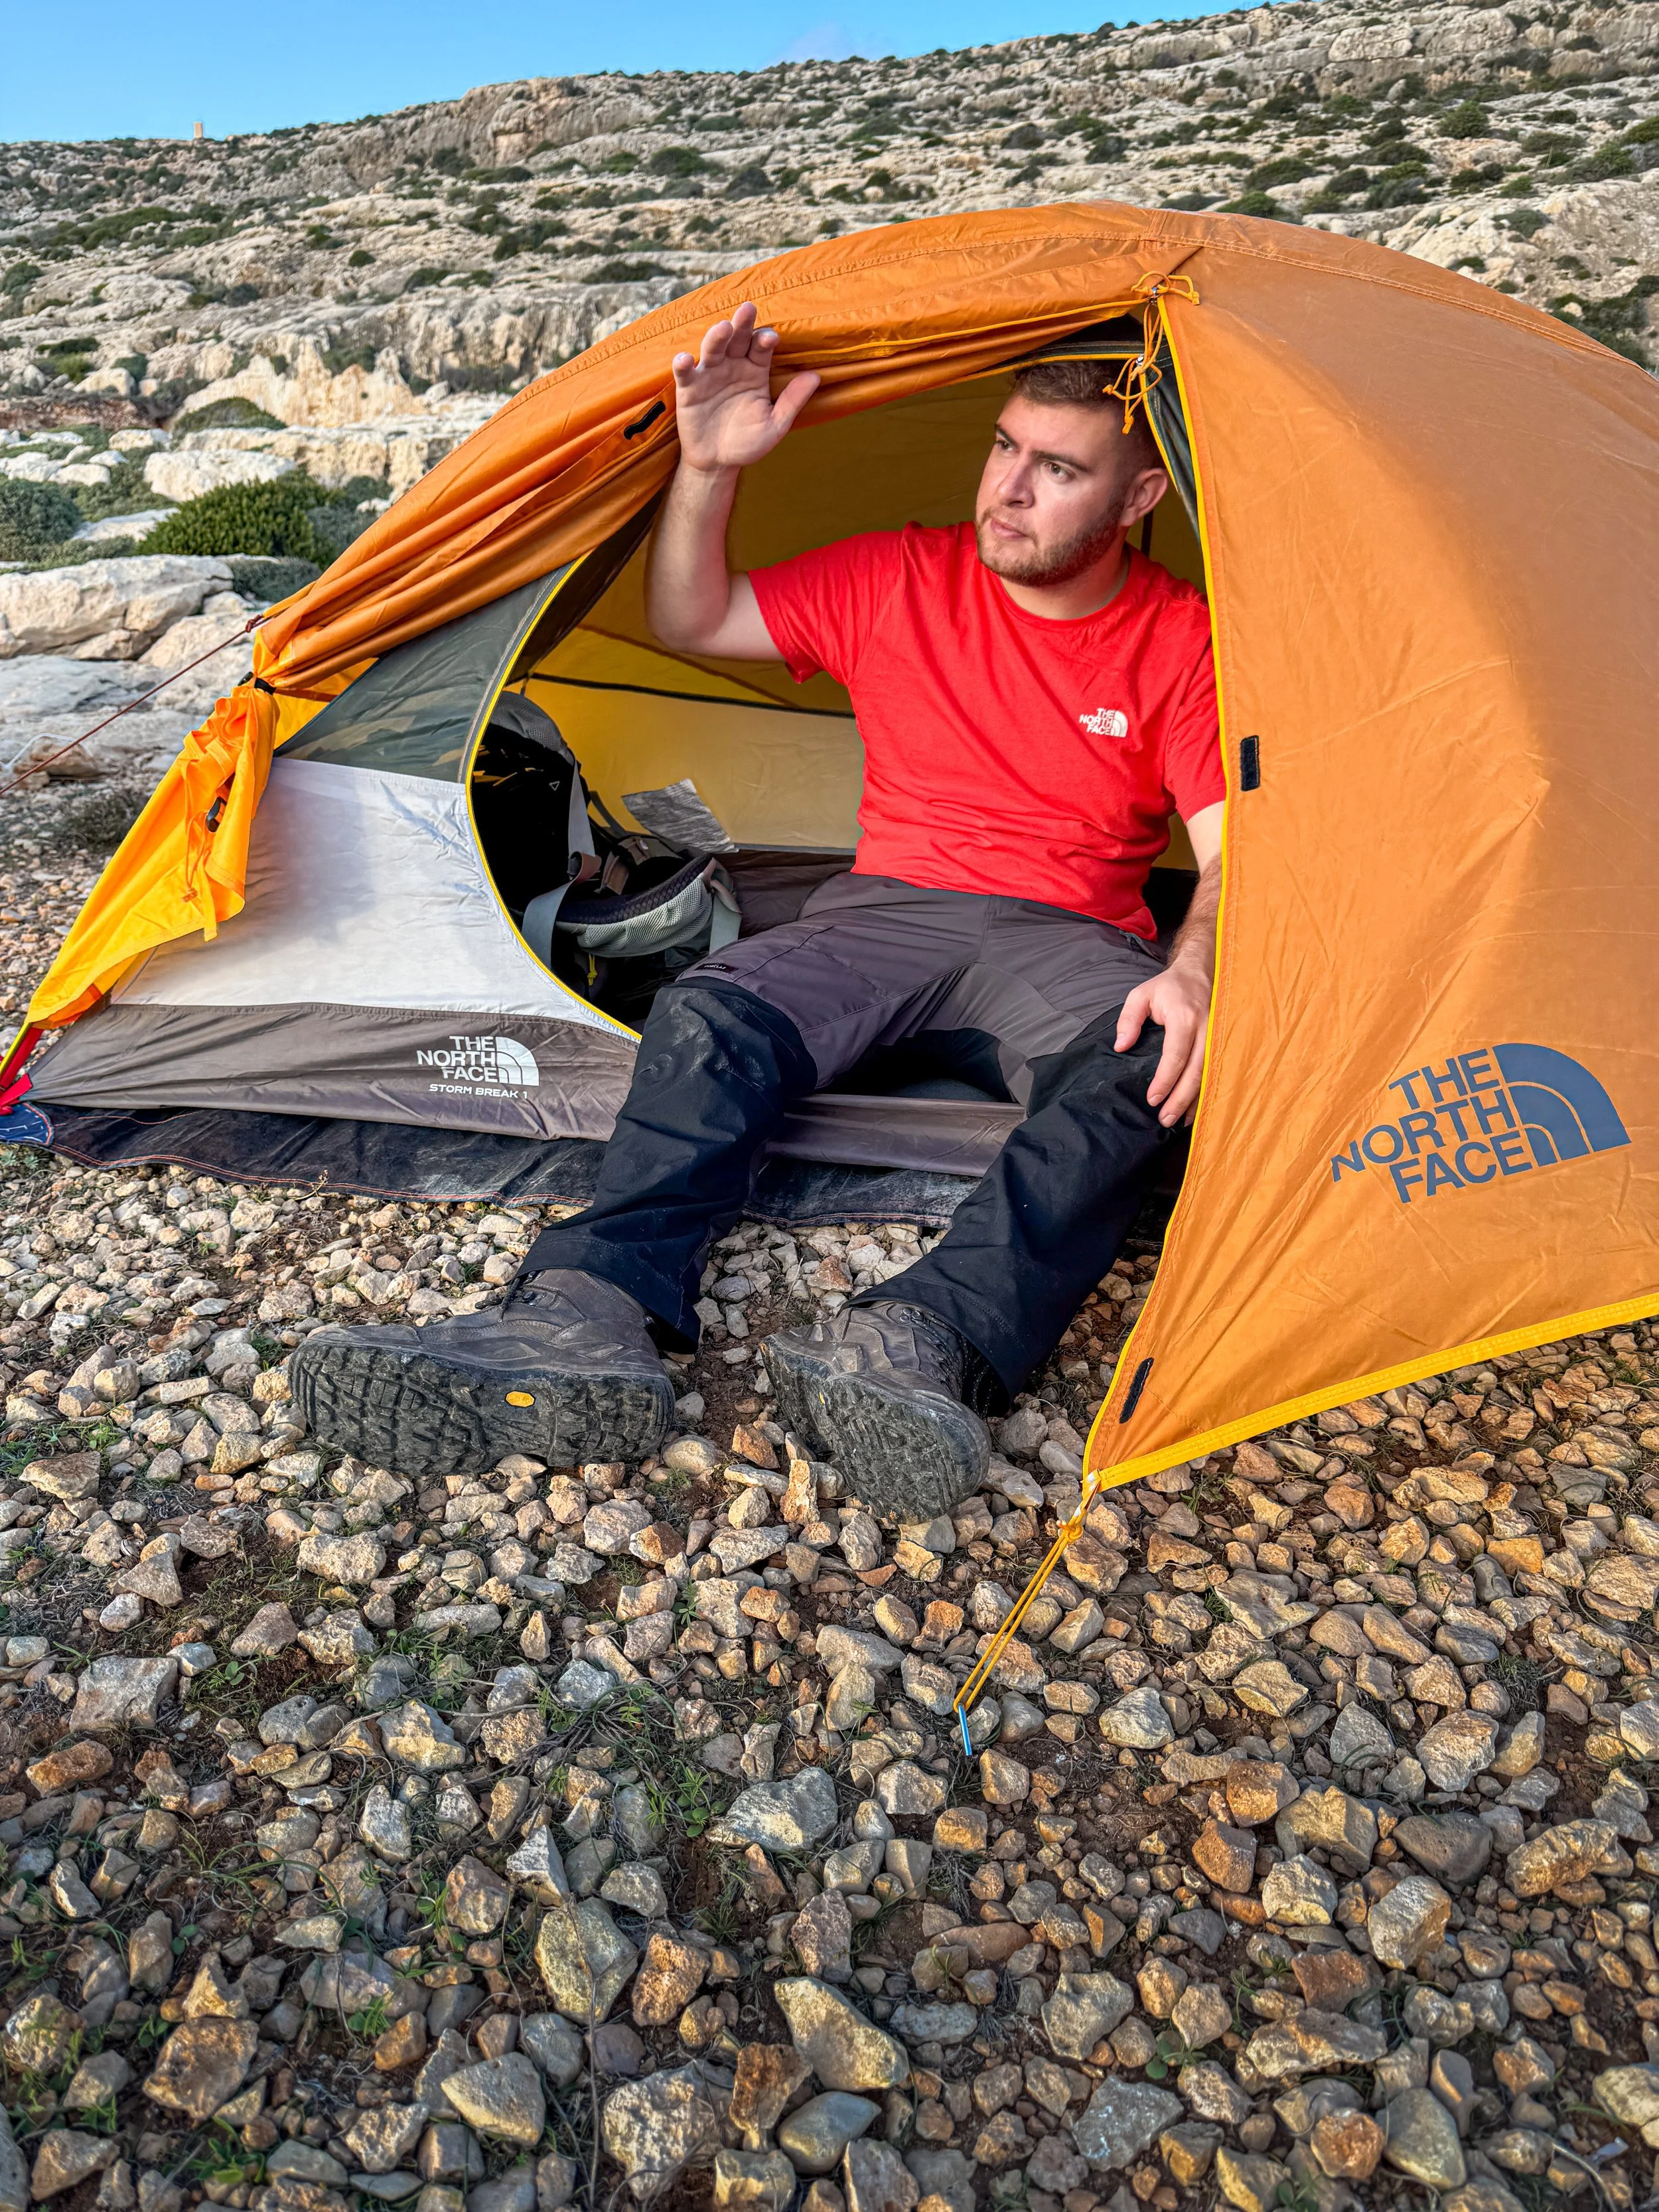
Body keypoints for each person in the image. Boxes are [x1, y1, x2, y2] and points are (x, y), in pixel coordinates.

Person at [294, 302, 1224, 1521]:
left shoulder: (1182, 639)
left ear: (1140, 494)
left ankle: (927, 1341)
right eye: (1005, 448)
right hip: (885, 908)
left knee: (1151, 1064)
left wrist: (1196, 965)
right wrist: (708, 468)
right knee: (712, 1011)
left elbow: (1234, 854)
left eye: (1058, 470)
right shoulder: (900, 573)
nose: (1008, 490)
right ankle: (590, 1313)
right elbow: (695, 619)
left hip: (1063, 935)